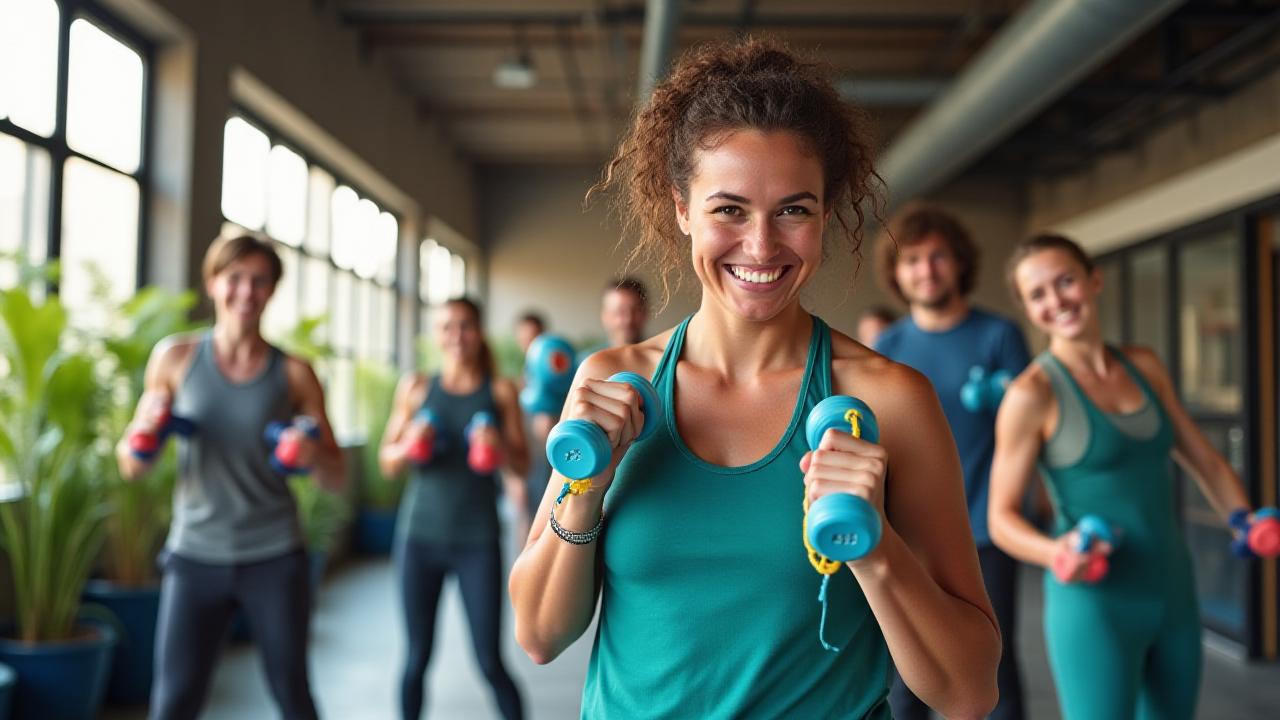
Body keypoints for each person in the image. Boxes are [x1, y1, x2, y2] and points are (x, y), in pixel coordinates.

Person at [508, 38, 1000, 719]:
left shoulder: (887, 399)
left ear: (825, 215)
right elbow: (538, 634)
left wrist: (874, 548)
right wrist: (585, 491)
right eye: (729, 209)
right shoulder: (614, 383)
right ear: (683, 208)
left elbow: (969, 692)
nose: (762, 246)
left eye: (793, 210)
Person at [989, 234, 1255, 720]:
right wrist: (1057, 552)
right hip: (1095, 603)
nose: (1057, 301)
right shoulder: (1032, 394)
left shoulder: (1145, 365)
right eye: (1038, 295)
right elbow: (1000, 518)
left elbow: (1204, 459)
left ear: (1094, 280)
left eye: (1066, 281)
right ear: (1029, 310)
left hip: (1172, 587)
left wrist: (1244, 518)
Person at [117, 234, 346, 720]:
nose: (246, 291)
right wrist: (145, 432)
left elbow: (336, 477)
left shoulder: (295, 373)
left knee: (292, 694)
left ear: (272, 290)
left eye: (259, 281)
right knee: (173, 703)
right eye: (235, 278)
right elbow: (132, 466)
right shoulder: (174, 358)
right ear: (213, 283)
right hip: (195, 554)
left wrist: (310, 456)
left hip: (274, 554)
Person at [873, 205, 1030, 720]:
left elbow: (1035, 430)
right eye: (913, 259)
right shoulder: (887, 348)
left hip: (986, 530)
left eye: (938, 256)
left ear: (959, 262)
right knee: (908, 672)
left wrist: (1007, 399)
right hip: (908, 534)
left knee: (993, 669)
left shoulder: (999, 336)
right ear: (896, 274)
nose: (926, 269)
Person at [379, 297, 530, 720]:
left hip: (476, 540)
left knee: (489, 662)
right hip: (419, 538)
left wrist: (498, 448)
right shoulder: (415, 387)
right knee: (415, 658)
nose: (457, 336)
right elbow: (386, 462)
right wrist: (410, 444)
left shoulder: (499, 392)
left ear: (478, 332)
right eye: (447, 327)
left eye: (465, 326)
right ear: (437, 334)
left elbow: (524, 464)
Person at [600, 276, 648, 349]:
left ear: (645, 313)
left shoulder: (664, 357)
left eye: (635, 310)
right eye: (619, 311)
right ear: (605, 316)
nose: (628, 320)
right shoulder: (587, 359)